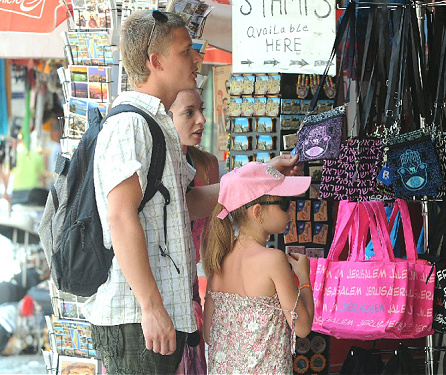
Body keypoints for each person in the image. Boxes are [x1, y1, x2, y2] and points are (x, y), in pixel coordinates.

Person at [84, 10, 303, 375]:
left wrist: (264, 175)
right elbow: (120, 217)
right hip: (137, 321)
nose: (197, 59)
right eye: (186, 51)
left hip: (159, 317)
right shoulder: (129, 126)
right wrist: (151, 307)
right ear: (156, 62)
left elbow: (190, 201)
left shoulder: (157, 125)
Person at [202, 162, 315, 374]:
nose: (290, 210)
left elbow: (210, 334)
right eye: (284, 203)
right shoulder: (274, 260)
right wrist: (305, 278)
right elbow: (302, 327)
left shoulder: (218, 259)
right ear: (257, 212)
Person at [169, 88, 218, 374]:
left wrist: (214, 293)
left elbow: (212, 237)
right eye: (189, 112)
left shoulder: (206, 164)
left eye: (201, 110)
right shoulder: (156, 164)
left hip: (189, 287)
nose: (201, 119)